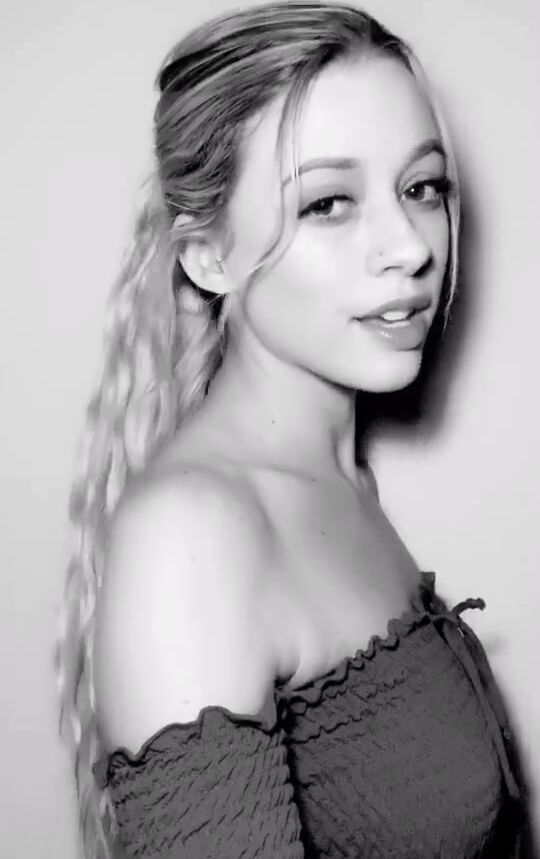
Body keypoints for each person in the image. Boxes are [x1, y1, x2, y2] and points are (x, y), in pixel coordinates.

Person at [54, 2, 536, 857]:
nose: (410, 246)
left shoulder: (340, 478)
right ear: (208, 255)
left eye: (421, 187)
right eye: (328, 203)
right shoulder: (193, 536)